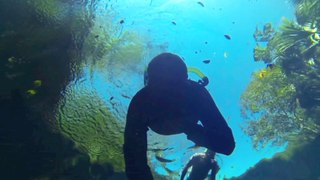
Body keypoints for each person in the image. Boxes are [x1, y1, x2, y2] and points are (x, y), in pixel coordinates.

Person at [123, 53, 235, 180]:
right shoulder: (141, 101)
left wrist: (189, 128)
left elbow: (227, 144)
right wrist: (191, 128)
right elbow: (134, 161)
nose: (168, 101)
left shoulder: (197, 93)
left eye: (174, 89)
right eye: (162, 90)